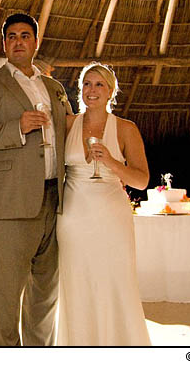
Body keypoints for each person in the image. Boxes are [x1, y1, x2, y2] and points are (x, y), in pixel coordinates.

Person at [0, 13, 72, 346]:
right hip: (12, 199)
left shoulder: (54, 87)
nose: (18, 41)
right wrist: (17, 128)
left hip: (56, 197)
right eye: (11, 37)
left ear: (36, 42)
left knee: (46, 292)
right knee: (7, 293)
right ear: (4, 43)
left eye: (25, 35)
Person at [56, 62, 151, 346]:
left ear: (111, 91)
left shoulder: (125, 128)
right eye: (87, 84)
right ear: (80, 90)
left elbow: (142, 180)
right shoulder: (68, 124)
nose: (92, 90)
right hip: (72, 218)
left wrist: (110, 161)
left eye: (99, 84)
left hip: (112, 219)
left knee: (114, 282)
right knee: (77, 284)